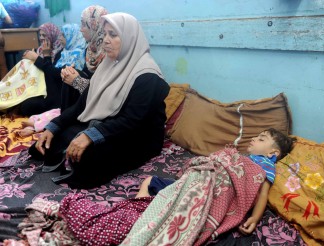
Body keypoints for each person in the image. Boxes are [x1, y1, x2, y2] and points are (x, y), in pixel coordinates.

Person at [56, 128, 296, 245]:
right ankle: (147, 201)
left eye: (262, 139)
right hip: (205, 178)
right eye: (256, 136)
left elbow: (261, 191)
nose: (254, 139)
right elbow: (220, 163)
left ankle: (146, 206)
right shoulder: (240, 158)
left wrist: (254, 218)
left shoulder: (264, 167)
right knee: (172, 185)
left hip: (216, 191)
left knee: (173, 195)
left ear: (273, 153)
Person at [28, 12, 170, 189]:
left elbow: (132, 120)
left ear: (130, 38)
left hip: (139, 136)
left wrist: (90, 135)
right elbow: (82, 105)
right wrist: (53, 126)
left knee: (87, 158)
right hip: (109, 124)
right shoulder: (108, 64)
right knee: (47, 143)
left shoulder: (147, 76)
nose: (106, 40)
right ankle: (67, 152)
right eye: (104, 35)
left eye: (113, 34)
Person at [18, 23, 86, 116]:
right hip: (48, 91)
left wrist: (41, 58)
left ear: (73, 37)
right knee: (23, 102)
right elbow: (50, 72)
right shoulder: (62, 52)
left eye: (64, 35)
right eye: (40, 35)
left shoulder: (78, 55)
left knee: (26, 107)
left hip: (61, 97)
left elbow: (58, 74)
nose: (60, 38)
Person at [59, 5, 108, 111]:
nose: (81, 30)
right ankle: (63, 119)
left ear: (94, 26)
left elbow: (105, 94)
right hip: (85, 100)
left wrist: (77, 81)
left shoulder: (110, 53)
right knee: (70, 73)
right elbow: (87, 78)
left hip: (102, 107)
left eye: (83, 24)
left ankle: (63, 121)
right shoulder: (90, 49)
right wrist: (69, 71)